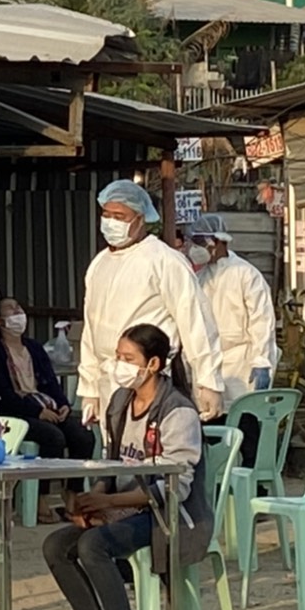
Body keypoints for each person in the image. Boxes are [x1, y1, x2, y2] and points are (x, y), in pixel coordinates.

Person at [44, 323, 211, 610]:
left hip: (168, 515)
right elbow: (113, 461)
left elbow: (174, 487)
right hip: (123, 508)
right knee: (56, 546)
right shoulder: (120, 401)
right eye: (118, 356)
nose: (119, 365)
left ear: (153, 364)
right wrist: (93, 499)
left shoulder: (178, 411)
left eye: (128, 358)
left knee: (93, 545)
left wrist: (111, 504)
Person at [80, 179, 224, 427]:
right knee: (114, 447)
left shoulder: (164, 260)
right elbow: (91, 332)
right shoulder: (99, 264)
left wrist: (208, 381)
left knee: (152, 445)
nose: (111, 222)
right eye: (106, 214)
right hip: (108, 379)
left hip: (149, 378)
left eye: (120, 216)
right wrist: (89, 388)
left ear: (140, 219)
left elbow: (196, 322)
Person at [0, 296, 95, 516]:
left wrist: (63, 404)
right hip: (13, 414)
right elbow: (1, 394)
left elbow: (50, 382)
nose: (18, 312)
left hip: (45, 406)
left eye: (18, 307)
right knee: (53, 437)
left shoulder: (33, 347)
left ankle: (72, 493)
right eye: (10, 309)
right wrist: (37, 412)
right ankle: (41, 498)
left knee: (83, 435)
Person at [189, 214, 277, 466]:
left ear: (217, 241)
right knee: (213, 427)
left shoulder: (246, 274)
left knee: (245, 428)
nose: (194, 248)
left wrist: (262, 361)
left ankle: (251, 481)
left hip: (241, 364)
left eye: (200, 242)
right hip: (210, 364)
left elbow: (262, 321)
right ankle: (218, 481)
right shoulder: (200, 278)